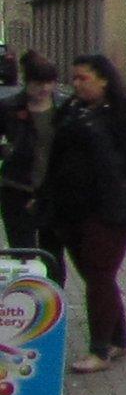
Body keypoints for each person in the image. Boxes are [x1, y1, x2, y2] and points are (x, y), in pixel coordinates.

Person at [43, 55, 126, 374]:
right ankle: (119, 338)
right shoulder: (71, 111)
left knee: (100, 273)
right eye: (74, 78)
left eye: (84, 78)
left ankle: (99, 349)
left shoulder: (125, 114)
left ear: (103, 79)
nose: (77, 84)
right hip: (72, 205)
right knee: (93, 274)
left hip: (115, 205)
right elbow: (55, 155)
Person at [0, 52, 66, 284]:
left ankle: (56, 303)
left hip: (54, 192)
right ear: (27, 83)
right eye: (38, 83)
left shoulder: (63, 108)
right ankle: (27, 305)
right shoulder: (8, 107)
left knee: (53, 253)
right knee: (23, 254)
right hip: (17, 188)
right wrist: (7, 150)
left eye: (49, 83)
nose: (45, 89)